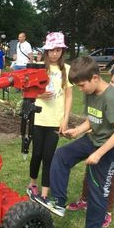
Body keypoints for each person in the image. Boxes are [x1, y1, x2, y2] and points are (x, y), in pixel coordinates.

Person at [35, 56, 114, 228]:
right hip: (94, 138)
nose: (80, 90)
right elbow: (93, 119)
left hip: (111, 146)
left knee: (97, 188)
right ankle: (59, 202)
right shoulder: (89, 90)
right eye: (76, 86)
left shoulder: (112, 97)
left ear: (95, 78)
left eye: (81, 86)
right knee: (61, 156)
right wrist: (77, 130)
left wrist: (99, 154)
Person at [67, 67, 114, 228]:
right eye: (111, 82)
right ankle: (84, 200)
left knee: (108, 181)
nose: (112, 86)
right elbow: (95, 121)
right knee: (89, 175)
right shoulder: (103, 97)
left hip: (112, 148)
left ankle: (107, 211)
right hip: (97, 144)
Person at [25, 32, 73, 203]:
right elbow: (27, 91)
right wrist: (39, 95)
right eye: (51, 50)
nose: (54, 53)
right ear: (46, 50)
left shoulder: (66, 69)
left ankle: (45, 192)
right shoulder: (37, 67)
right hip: (38, 119)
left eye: (58, 50)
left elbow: (68, 96)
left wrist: (65, 118)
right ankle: (32, 184)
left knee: (49, 157)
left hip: (55, 121)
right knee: (36, 154)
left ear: (62, 51)